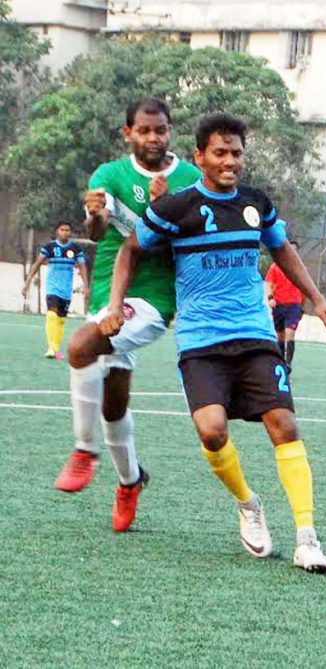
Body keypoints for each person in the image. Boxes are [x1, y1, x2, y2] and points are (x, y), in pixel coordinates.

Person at [103, 112, 326, 572]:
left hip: (254, 334)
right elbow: (131, 250)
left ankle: (307, 537)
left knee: (284, 425)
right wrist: (116, 305)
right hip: (200, 341)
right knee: (212, 431)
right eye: (220, 152)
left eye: (236, 152)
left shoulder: (255, 203)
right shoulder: (175, 209)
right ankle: (248, 504)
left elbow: (282, 249)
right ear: (200, 157)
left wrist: (319, 300)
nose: (230, 160)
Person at [53, 97, 201, 534]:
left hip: (155, 293)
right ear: (128, 134)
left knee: (80, 346)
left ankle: (84, 450)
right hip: (108, 285)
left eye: (161, 130)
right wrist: (96, 213)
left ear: (170, 131)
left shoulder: (190, 179)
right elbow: (95, 234)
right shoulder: (109, 175)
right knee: (114, 400)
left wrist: (168, 205)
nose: (153, 138)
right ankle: (131, 480)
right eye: (144, 131)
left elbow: (190, 241)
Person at [21, 221, 88, 359]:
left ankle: (56, 349)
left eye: (67, 230)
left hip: (66, 290)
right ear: (57, 231)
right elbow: (37, 264)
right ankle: (51, 348)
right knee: (51, 315)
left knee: (61, 320)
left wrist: (86, 287)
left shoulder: (75, 249)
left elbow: (82, 267)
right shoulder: (49, 247)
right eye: (62, 230)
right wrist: (27, 283)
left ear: (70, 232)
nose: (65, 232)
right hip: (52, 288)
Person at [265, 239, 304, 366]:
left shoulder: (300, 268)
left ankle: (288, 364)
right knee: (280, 336)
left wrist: (303, 307)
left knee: (289, 333)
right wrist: (270, 298)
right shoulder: (275, 267)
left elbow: (305, 288)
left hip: (294, 305)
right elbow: (268, 284)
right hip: (279, 305)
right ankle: (280, 361)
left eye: (295, 251)